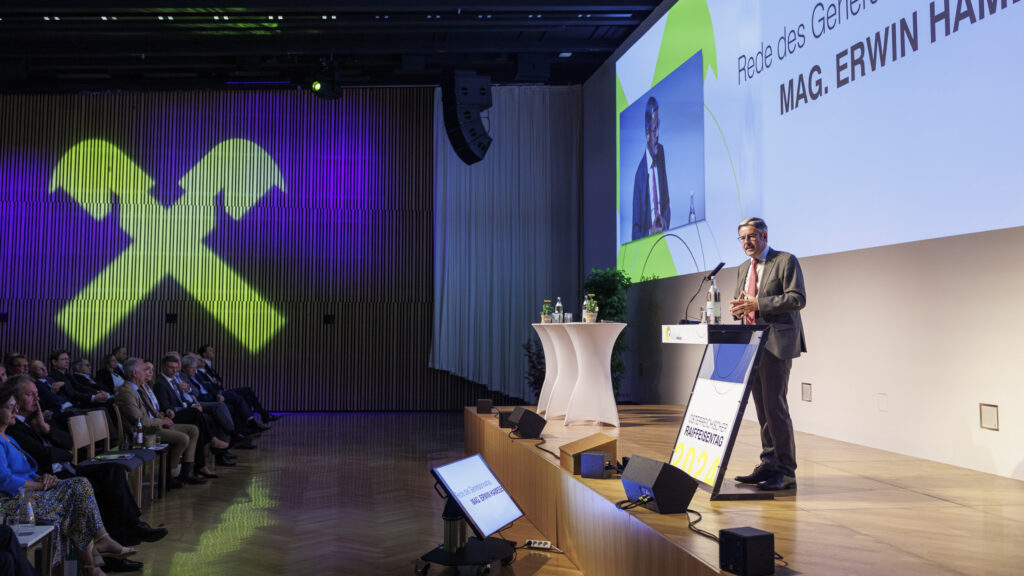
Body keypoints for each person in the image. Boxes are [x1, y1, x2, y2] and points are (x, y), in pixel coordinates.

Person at [0, 383, 136, 576]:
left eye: (15, 406)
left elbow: (25, 471)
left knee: (79, 489)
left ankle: (93, 563)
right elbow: (4, 479)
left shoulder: (8, 438)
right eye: (9, 407)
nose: (15, 410)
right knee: (77, 493)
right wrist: (39, 485)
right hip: (12, 503)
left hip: (26, 495)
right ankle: (95, 558)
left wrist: (41, 476)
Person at [728, 217, 807, 491]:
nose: (746, 243)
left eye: (751, 237)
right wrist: (740, 309)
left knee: (775, 408)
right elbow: (745, 302)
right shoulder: (742, 268)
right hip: (752, 343)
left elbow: (797, 298)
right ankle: (769, 463)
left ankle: (786, 472)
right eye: (742, 238)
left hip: (776, 344)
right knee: (762, 410)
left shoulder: (785, 261)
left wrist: (757, 304)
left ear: (763, 235)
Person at [114, 359, 202, 488]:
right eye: (144, 370)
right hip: (141, 432)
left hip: (153, 426)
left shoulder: (139, 388)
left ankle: (184, 473)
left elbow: (152, 411)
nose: (147, 373)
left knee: (192, 430)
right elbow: (140, 421)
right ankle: (168, 475)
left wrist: (164, 417)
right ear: (134, 373)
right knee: (182, 438)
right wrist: (161, 421)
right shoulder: (126, 392)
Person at [631, 96, 670, 240]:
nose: (658, 135)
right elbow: (635, 231)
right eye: (654, 130)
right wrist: (650, 233)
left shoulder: (661, 152)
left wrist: (664, 223)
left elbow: (666, 203)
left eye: (658, 127)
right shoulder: (639, 176)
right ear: (647, 133)